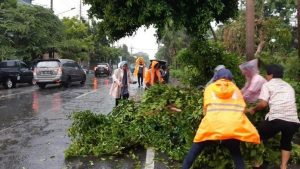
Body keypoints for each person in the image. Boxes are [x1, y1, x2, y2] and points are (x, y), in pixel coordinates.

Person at [182, 69, 260, 169]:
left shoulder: (209, 88)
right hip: (233, 127)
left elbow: (205, 109)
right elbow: (243, 109)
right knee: (236, 152)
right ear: (231, 79)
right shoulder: (236, 90)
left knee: (195, 150)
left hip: (211, 125)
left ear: (216, 78)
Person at [248, 64, 300, 169]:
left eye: (267, 75)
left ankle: (257, 164)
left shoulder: (268, 85)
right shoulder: (289, 86)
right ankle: (283, 166)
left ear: (271, 75)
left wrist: (253, 109)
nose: (266, 77)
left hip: (276, 119)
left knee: (257, 136)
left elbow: (263, 104)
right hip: (293, 121)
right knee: (286, 143)